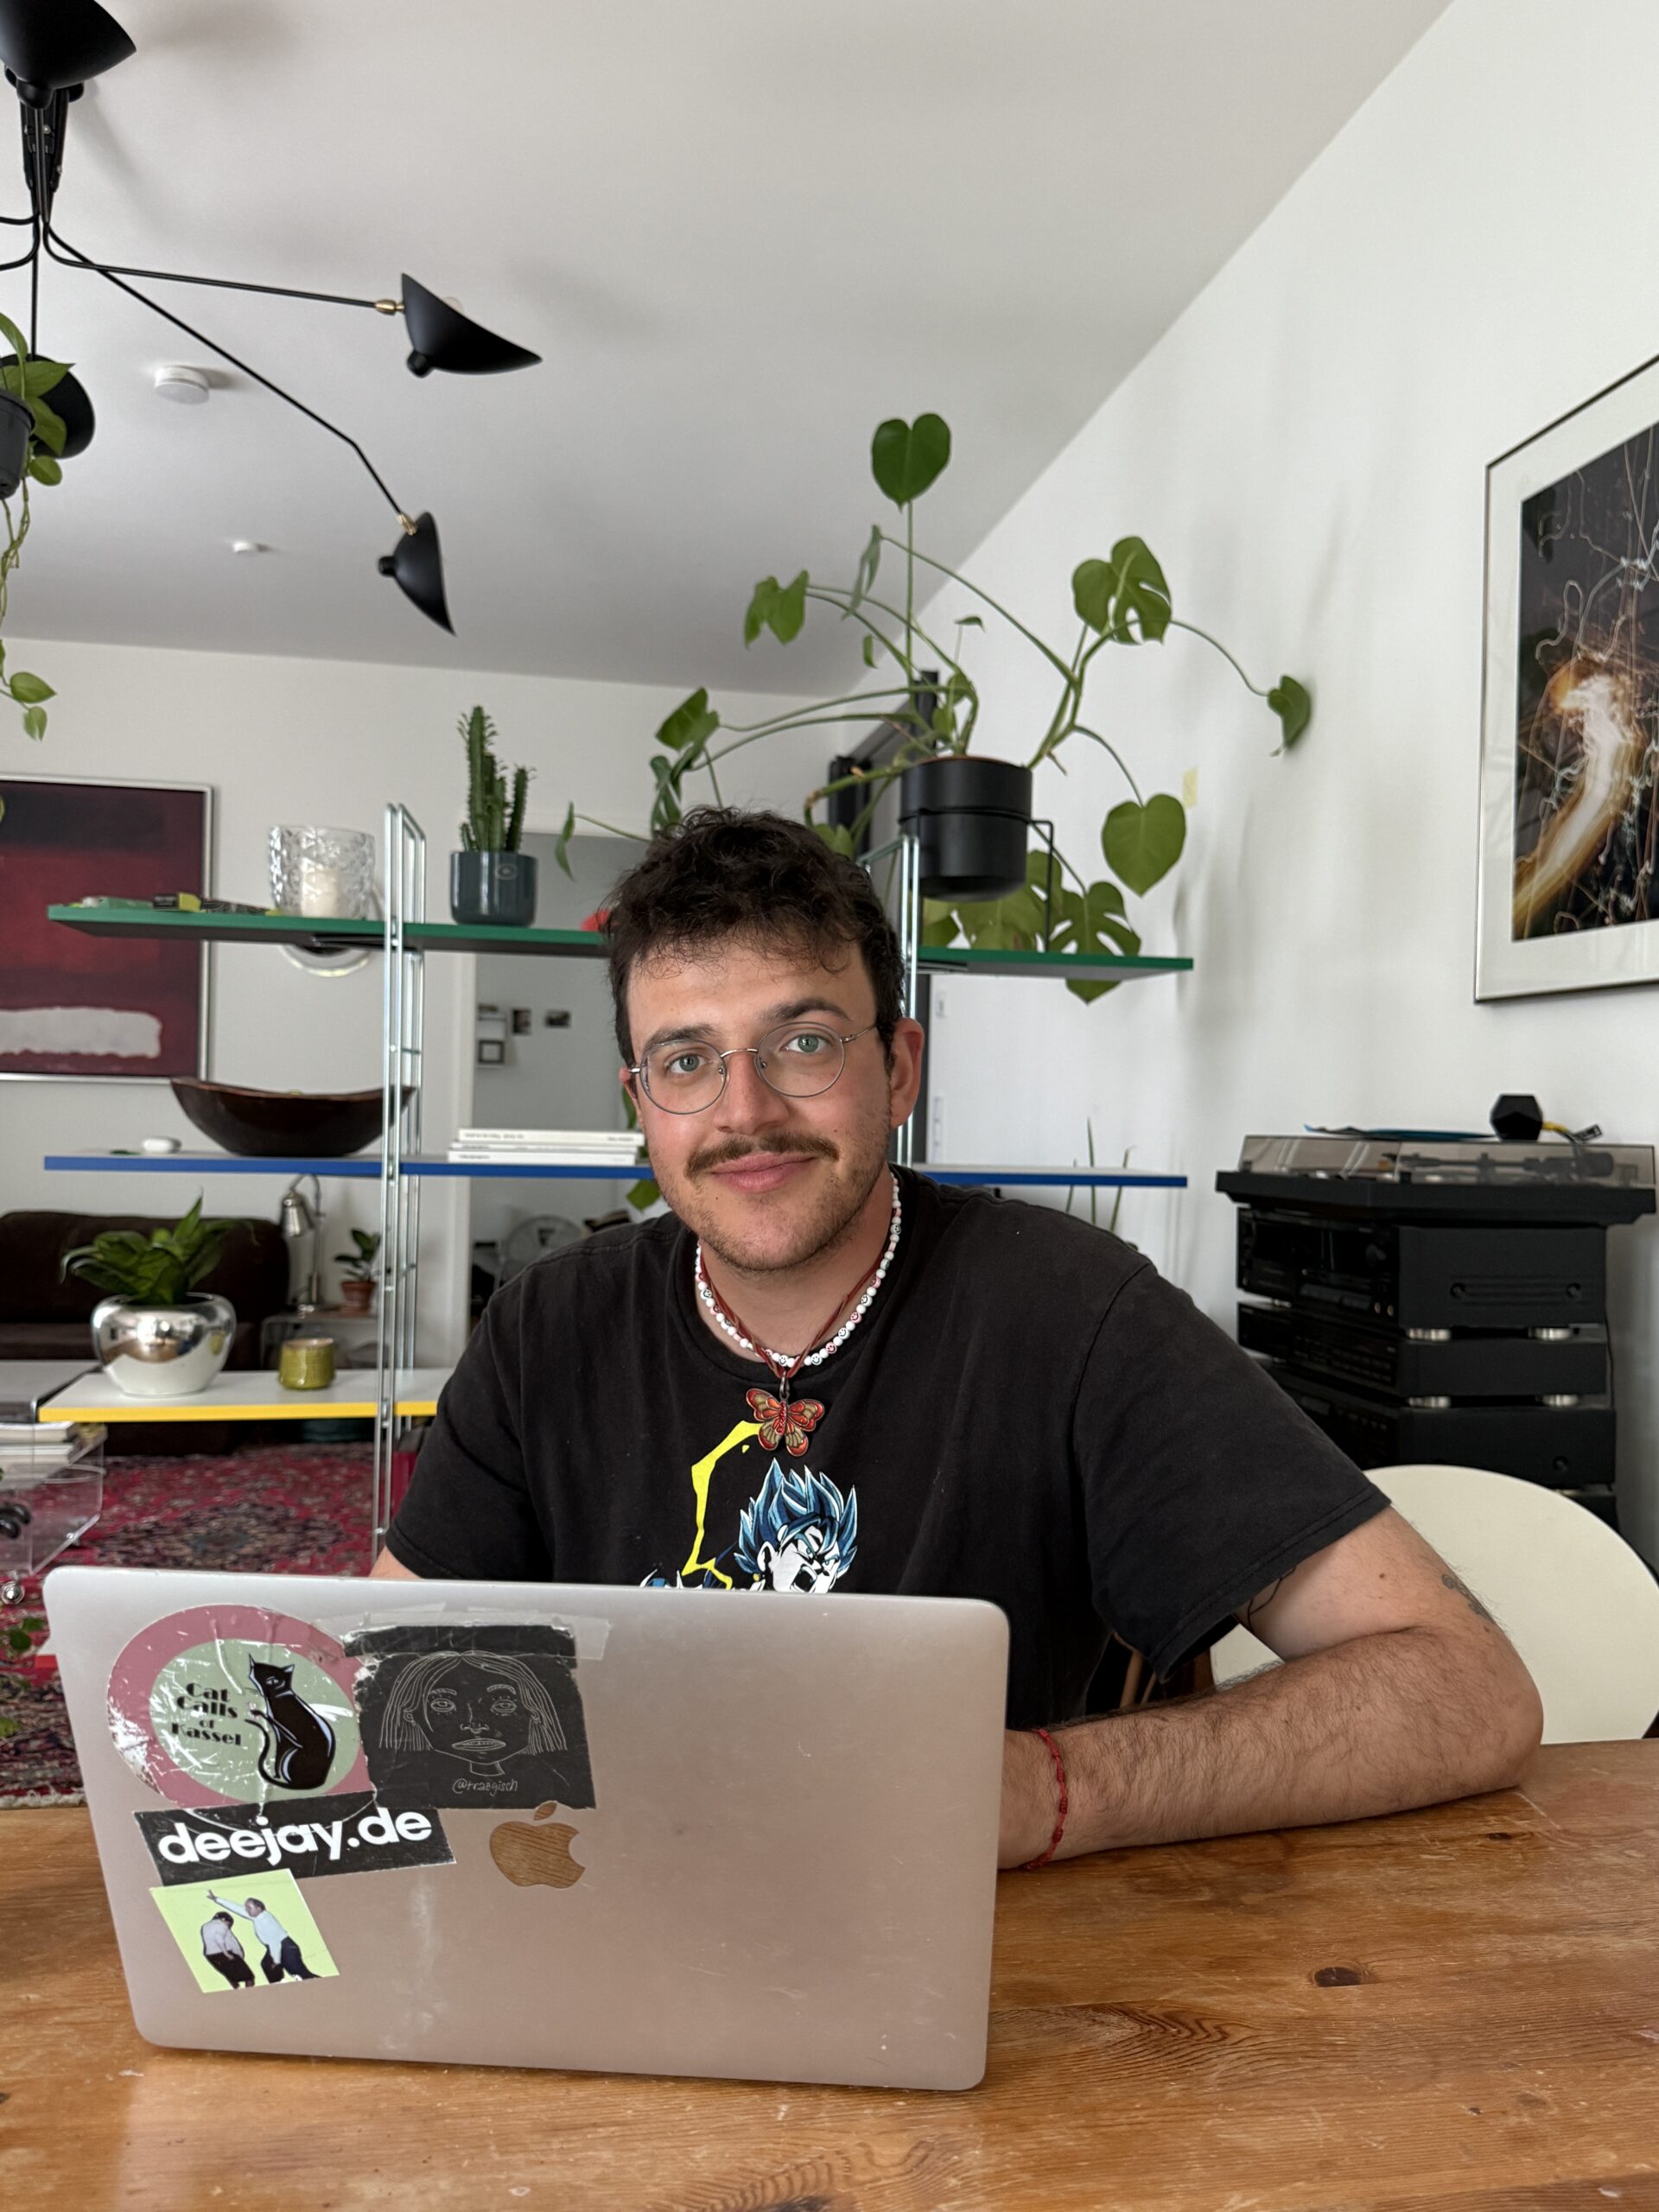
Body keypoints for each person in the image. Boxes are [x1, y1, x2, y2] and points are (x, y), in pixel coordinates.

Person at [375, 807, 1543, 1868]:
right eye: (687, 1062)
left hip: (993, 1969)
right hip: (610, 1913)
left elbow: (1467, 1687)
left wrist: (1049, 1787)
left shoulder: (1073, 1312)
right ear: (643, 1106)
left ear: (899, 1069)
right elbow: (384, 1683)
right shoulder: (547, 1327)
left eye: (804, 1043)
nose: (744, 1113)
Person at [206, 1891, 318, 1982]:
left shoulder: (267, 1921)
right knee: (267, 1965)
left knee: (299, 1973)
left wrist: (276, 1961)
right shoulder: (256, 1915)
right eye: (247, 1907)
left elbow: (275, 1943)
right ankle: (279, 1985)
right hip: (278, 1947)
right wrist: (217, 1899)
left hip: (287, 1948)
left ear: (259, 1908)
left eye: (249, 1908)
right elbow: (237, 1908)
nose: (246, 1910)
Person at [199, 1910, 255, 1991]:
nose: (228, 1927)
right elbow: (223, 1940)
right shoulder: (221, 1925)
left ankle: (238, 1992)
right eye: (229, 1924)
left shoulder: (205, 1926)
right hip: (224, 1954)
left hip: (210, 1956)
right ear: (224, 1920)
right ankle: (250, 1995)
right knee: (249, 1977)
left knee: (231, 1977)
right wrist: (230, 1954)